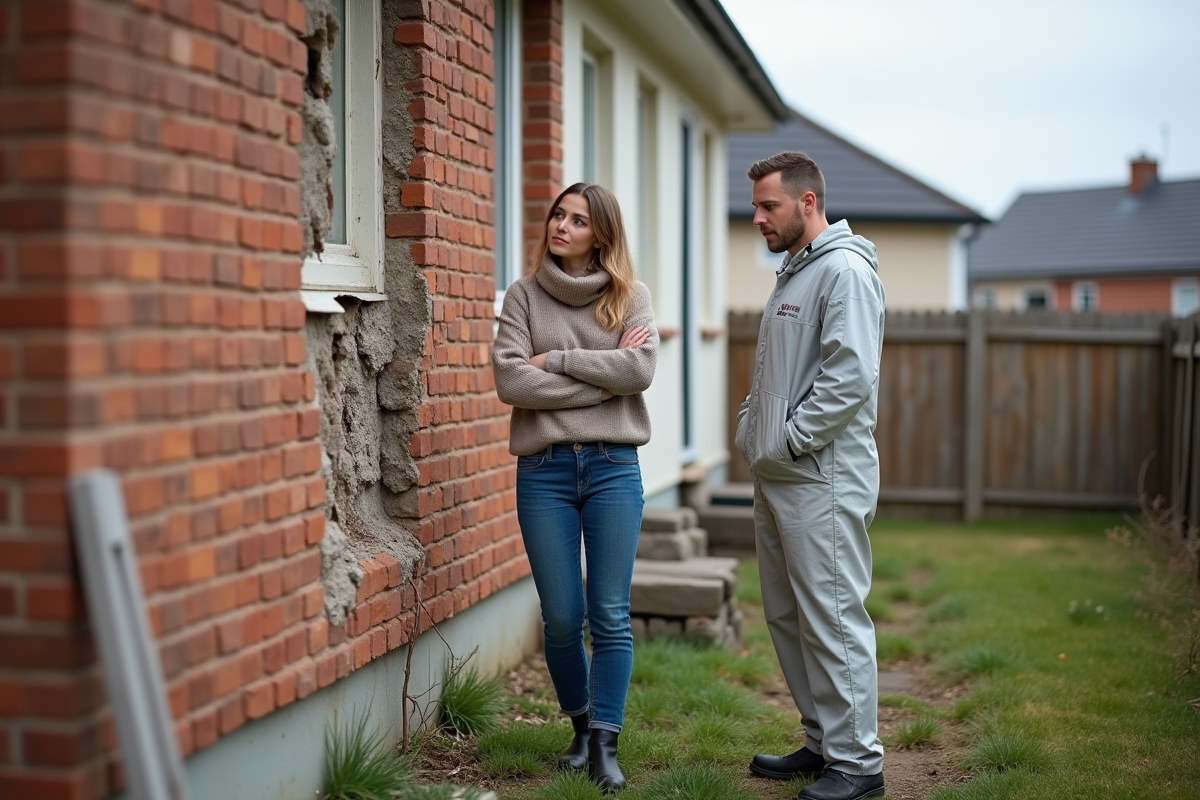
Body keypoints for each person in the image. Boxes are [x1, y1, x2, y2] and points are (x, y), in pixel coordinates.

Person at [492, 182, 658, 793]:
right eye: (558, 215)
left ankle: (606, 746)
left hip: (615, 467)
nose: (561, 226)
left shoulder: (630, 297)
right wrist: (605, 377)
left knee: (609, 613)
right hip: (545, 473)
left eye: (578, 220)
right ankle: (581, 726)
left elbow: (639, 371)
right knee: (562, 616)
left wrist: (554, 360)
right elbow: (511, 384)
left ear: (602, 236)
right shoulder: (523, 297)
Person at [735, 152, 887, 800]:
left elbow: (851, 376)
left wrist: (791, 442)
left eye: (768, 206)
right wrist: (753, 430)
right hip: (780, 474)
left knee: (831, 615)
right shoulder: (795, 273)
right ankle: (824, 741)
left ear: (808, 203)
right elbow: (778, 371)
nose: (758, 218)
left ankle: (858, 765)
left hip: (819, 476)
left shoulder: (844, 271)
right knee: (789, 615)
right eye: (756, 207)